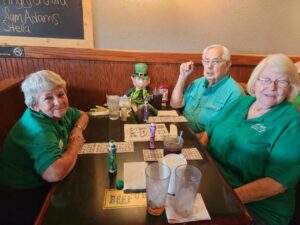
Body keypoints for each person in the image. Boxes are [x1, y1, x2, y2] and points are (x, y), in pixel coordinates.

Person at [201, 54, 300, 225]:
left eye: (282, 82)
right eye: (266, 79)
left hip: (255, 208)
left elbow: (277, 183)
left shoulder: (293, 123)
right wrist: (195, 162)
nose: (272, 87)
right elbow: (209, 132)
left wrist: (224, 200)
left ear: (291, 88)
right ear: (255, 81)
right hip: (213, 184)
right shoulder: (241, 102)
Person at [0, 70, 89, 225]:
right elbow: (54, 173)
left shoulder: (57, 112)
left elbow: (83, 115)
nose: (58, 101)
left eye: (61, 94)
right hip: (24, 195)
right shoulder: (39, 130)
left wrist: (77, 129)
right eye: (48, 97)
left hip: (44, 184)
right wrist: (74, 146)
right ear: (34, 105)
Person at [170, 44, 244, 135]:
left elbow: (224, 131)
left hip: (201, 141)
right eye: (206, 61)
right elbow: (175, 104)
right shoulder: (198, 83)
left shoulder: (235, 93)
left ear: (227, 64)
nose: (209, 66)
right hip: (181, 132)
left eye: (216, 61)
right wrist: (182, 76)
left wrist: (190, 140)